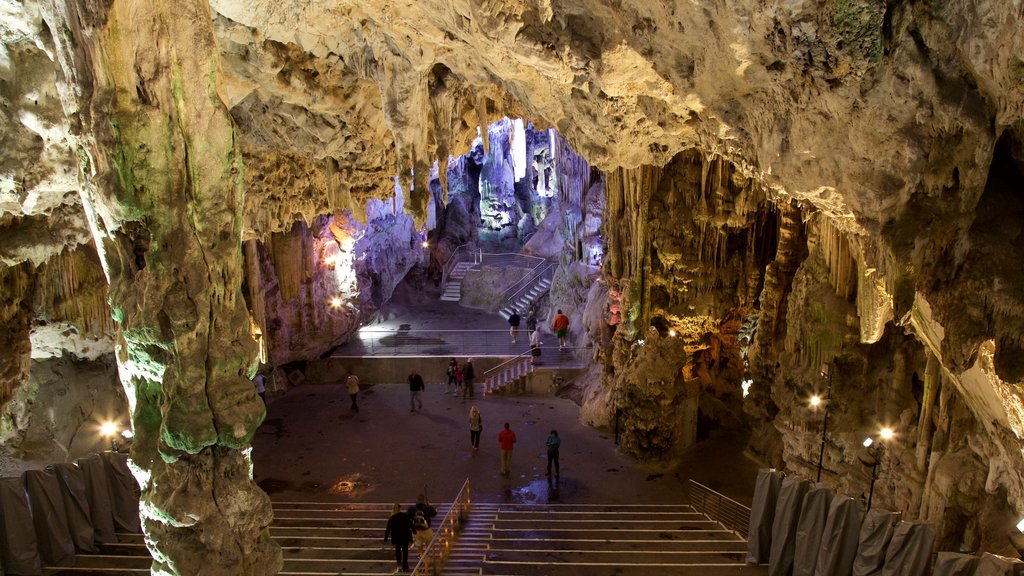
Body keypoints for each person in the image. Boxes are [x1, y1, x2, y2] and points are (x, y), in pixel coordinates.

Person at [383, 502, 413, 572]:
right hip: (405, 536)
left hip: (396, 537)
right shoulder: (405, 516)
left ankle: (399, 564)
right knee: (405, 551)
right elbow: (410, 525)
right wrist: (413, 533)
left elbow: (388, 529)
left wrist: (385, 538)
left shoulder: (392, 518)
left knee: (398, 551)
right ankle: (405, 565)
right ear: (400, 508)